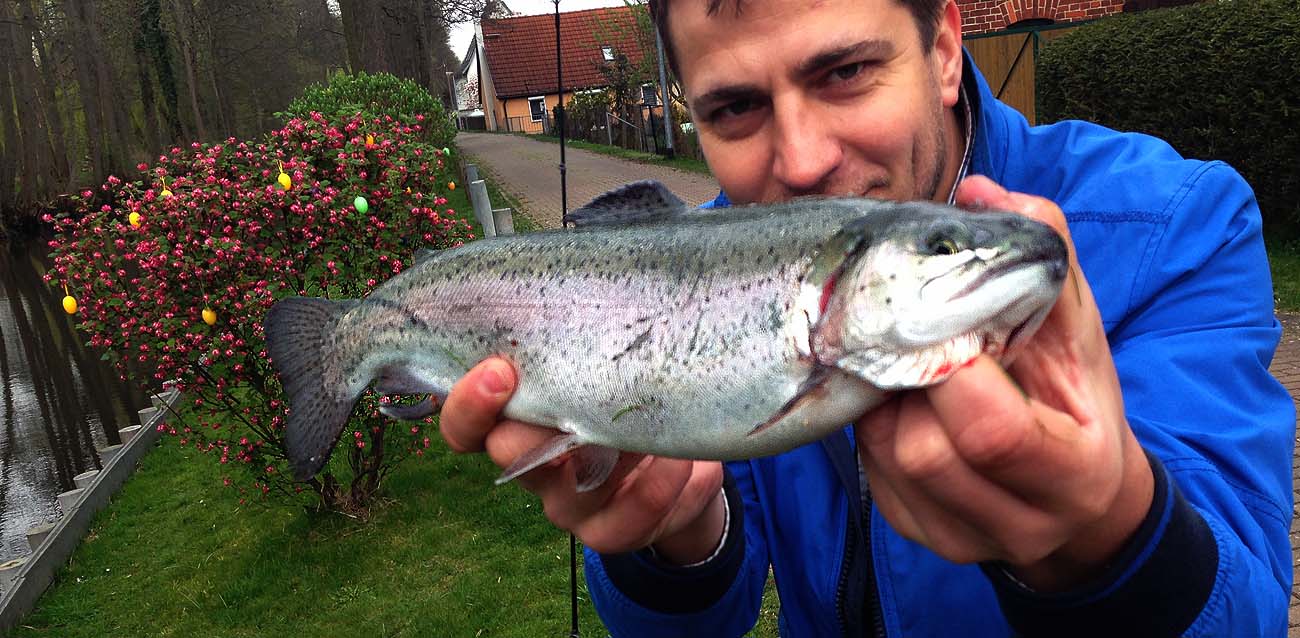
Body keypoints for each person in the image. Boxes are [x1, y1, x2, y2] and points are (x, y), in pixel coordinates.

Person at [439, 0, 1296, 635]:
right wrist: (675, 536)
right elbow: (698, 622)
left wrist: (1109, 542)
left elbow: (1249, 606)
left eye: (844, 72)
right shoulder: (684, 282)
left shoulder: (1184, 226)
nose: (804, 160)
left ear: (947, 49)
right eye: (735, 108)